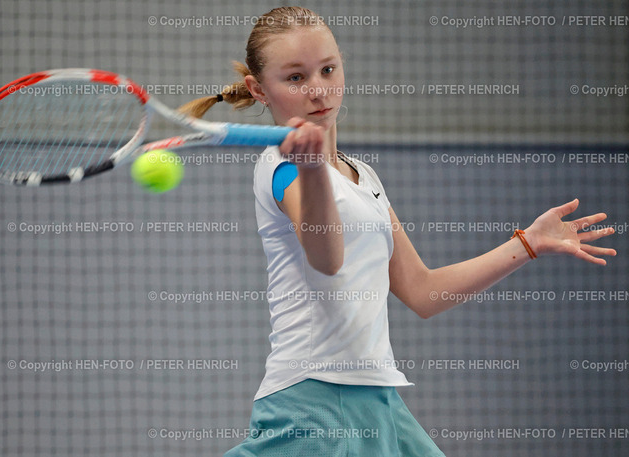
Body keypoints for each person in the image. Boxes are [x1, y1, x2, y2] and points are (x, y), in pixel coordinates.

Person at [179, 7, 617, 456]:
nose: (318, 89)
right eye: (295, 78)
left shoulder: (364, 176)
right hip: (315, 397)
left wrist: (528, 244)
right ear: (258, 89)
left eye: (328, 69)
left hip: (377, 396)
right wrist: (311, 167)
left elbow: (422, 291)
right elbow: (327, 259)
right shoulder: (283, 168)